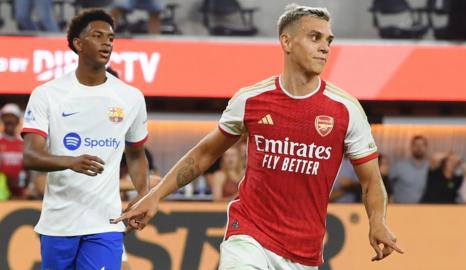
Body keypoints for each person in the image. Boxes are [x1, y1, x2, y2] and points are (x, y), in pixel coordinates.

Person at [114, 4, 403, 269]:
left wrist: (377, 221)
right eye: (315, 37)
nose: (325, 48)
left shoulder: (346, 110)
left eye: (328, 40)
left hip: (304, 252)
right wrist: (156, 195)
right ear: (286, 42)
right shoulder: (251, 99)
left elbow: (371, 180)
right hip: (249, 236)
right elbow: (204, 154)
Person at [22, 9, 150, 270]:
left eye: (111, 38)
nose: (107, 43)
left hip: (106, 223)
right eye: (98, 36)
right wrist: (70, 162)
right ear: (78, 44)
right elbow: (31, 155)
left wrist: (144, 196)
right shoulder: (47, 94)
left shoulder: (131, 97)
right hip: (58, 223)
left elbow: (136, 155)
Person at [0, 103, 30, 200]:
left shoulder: (24, 143)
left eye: (13, 117)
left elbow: (28, 169)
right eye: (6, 117)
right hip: (2, 190)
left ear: (18, 120)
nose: (10, 120)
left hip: (21, 189)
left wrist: (25, 186)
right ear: (2, 120)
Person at [390, 135, 429, 203]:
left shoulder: (429, 167)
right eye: (416, 145)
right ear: (411, 147)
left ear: (426, 148)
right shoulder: (399, 166)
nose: (419, 148)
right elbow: (386, 183)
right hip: (400, 209)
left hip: (423, 210)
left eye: (422, 145)